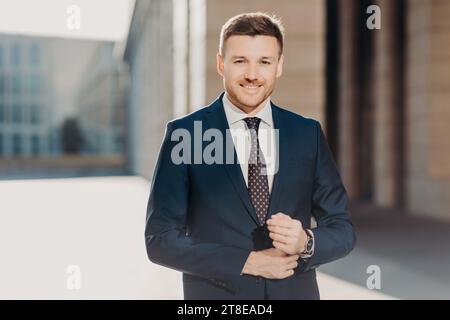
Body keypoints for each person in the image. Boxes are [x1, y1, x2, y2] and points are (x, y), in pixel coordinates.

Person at [145, 12, 356, 300]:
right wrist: (246, 262)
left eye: (264, 62)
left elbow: (342, 228)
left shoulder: (306, 134)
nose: (253, 75)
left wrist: (306, 242)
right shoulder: (186, 135)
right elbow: (159, 240)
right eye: (240, 61)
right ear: (221, 63)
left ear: (279, 66)